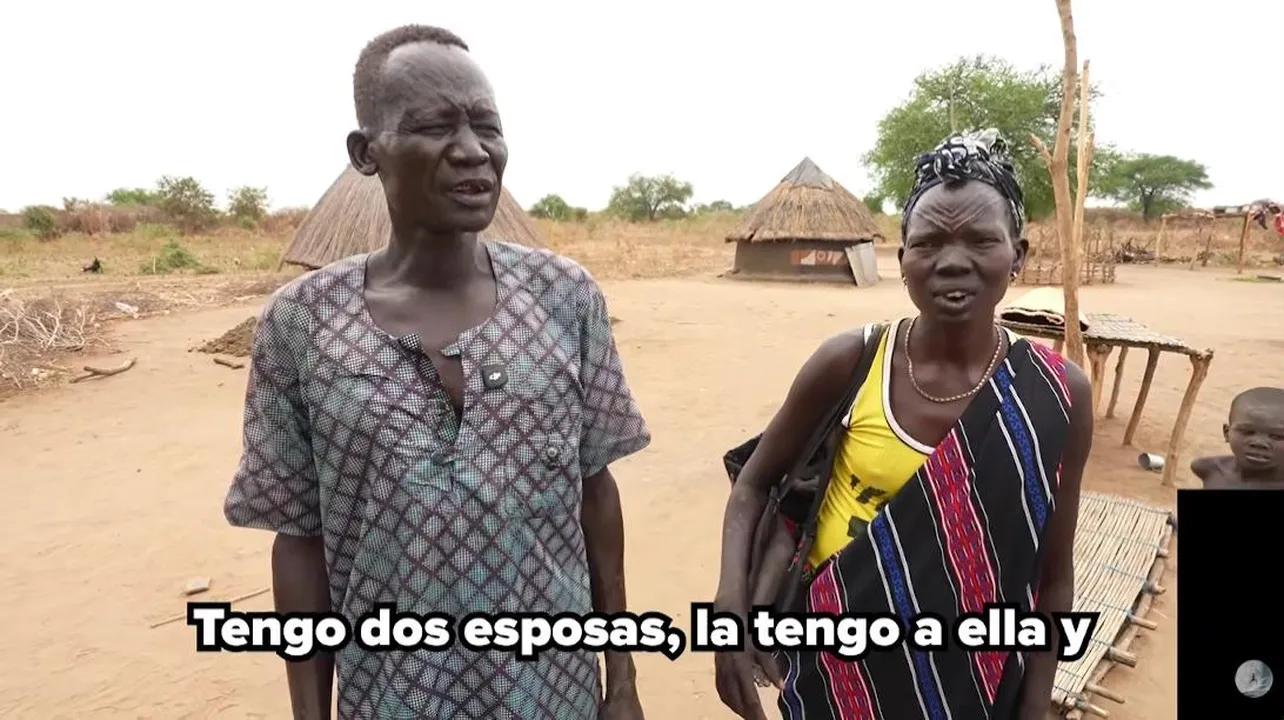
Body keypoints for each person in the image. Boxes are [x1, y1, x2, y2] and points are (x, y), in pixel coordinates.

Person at [222, 25, 651, 720]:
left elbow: (595, 491)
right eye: (434, 127)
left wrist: (622, 680)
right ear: (367, 152)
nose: (472, 150)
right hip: (391, 699)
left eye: (487, 127)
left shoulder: (564, 297)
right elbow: (299, 539)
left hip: (555, 696)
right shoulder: (301, 323)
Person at [712, 129, 1095, 720]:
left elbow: (1053, 574)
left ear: (1018, 255)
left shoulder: (1058, 392)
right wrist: (729, 613)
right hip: (835, 672)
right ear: (902, 259)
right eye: (929, 242)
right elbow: (754, 483)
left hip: (978, 680)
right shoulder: (852, 362)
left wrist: (1036, 705)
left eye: (981, 240)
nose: (953, 261)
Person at [1190, 386, 1284, 488]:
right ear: (1227, 433)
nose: (1259, 443)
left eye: (1277, 436)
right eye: (1247, 432)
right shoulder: (1210, 470)